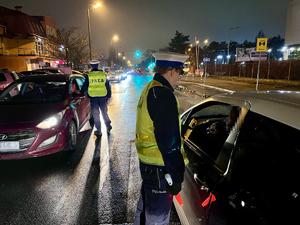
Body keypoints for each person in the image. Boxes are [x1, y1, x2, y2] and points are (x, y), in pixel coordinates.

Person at [134, 51, 189, 225]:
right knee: (157, 218)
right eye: (180, 72)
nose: (179, 77)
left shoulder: (151, 89)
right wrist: (177, 176)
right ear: (172, 70)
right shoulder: (164, 94)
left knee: (144, 212)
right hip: (160, 169)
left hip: (149, 164)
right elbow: (169, 142)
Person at [79, 60, 112, 138]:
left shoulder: (89, 76)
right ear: (98, 66)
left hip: (93, 98)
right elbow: (107, 86)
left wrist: (81, 92)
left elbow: (84, 87)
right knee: (104, 112)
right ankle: (108, 126)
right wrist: (108, 96)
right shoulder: (103, 75)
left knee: (96, 114)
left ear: (91, 67)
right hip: (103, 97)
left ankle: (99, 130)